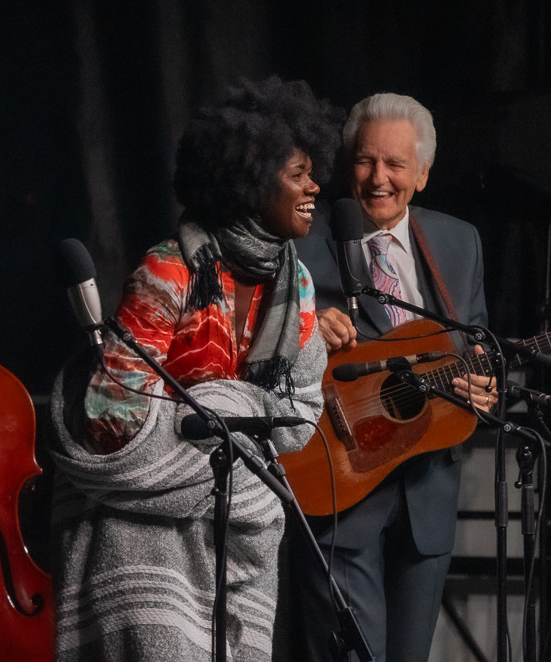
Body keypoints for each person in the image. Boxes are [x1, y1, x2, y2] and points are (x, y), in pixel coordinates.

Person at [48, 76, 341, 661]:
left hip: (233, 542)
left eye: (314, 171)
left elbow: (299, 415)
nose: (315, 187)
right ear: (251, 181)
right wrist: (232, 426)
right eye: (297, 174)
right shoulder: (168, 271)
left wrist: (224, 414)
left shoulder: (298, 284)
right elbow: (112, 422)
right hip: (137, 535)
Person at [285, 93, 496, 662]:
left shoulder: (458, 241)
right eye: (364, 160)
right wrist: (304, 331)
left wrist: (483, 390)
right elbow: (255, 348)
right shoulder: (300, 241)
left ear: (422, 174)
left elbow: (475, 344)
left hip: (428, 494)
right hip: (340, 487)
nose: (378, 178)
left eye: (395, 165)